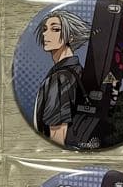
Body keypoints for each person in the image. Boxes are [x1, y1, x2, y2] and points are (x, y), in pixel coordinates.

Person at [33, 10, 92, 147]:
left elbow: (57, 135)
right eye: (45, 29)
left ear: (70, 37)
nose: (45, 34)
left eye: (55, 29)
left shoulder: (60, 78)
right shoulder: (77, 70)